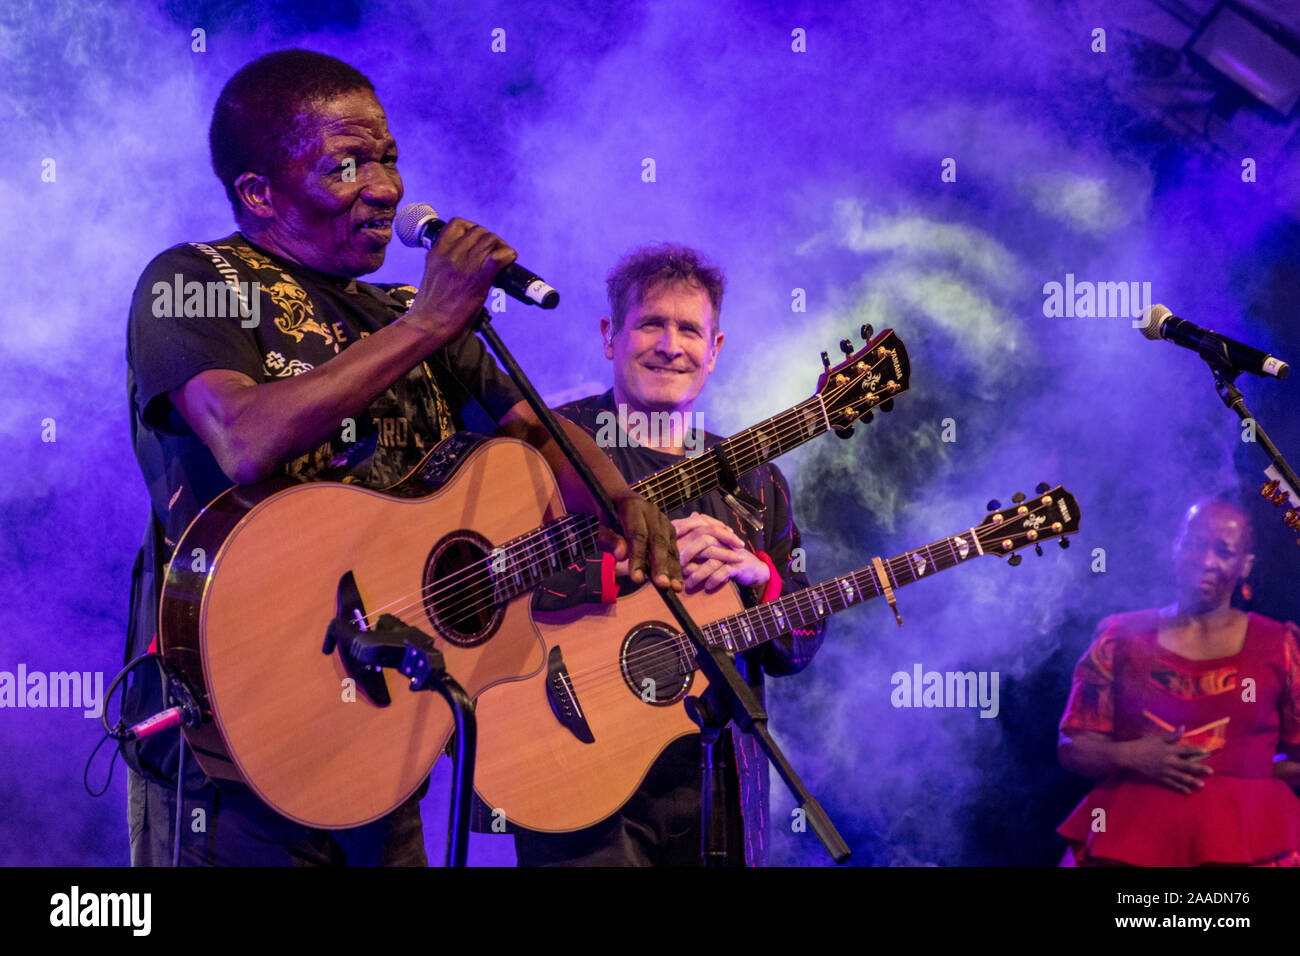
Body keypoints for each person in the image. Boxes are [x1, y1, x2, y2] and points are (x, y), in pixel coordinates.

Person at [123, 49, 679, 867]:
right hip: (235, 755)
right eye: (346, 165)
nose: (385, 187)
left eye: (386, 157)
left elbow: (541, 434)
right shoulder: (194, 280)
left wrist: (621, 499)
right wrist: (424, 325)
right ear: (260, 193)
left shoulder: (403, 311)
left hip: (381, 747)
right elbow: (244, 441)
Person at [505, 244, 826, 866]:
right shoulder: (544, 447)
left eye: (689, 330)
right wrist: (620, 570)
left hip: (718, 782)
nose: (670, 345)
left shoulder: (755, 481)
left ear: (715, 350)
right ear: (610, 335)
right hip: (575, 769)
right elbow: (484, 587)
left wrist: (759, 578)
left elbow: (802, 642)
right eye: (651, 323)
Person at [1057, 497, 1300, 866]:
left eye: (1223, 551)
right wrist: (1131, 756)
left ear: (1245, 566)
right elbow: (1073, 745)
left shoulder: (1279, 645)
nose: (1206, 561)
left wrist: (1248, 770)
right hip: (1127, 841)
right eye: (1196, 544)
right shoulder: (1119, 636)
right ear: (1176, 548)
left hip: (1250, 845)